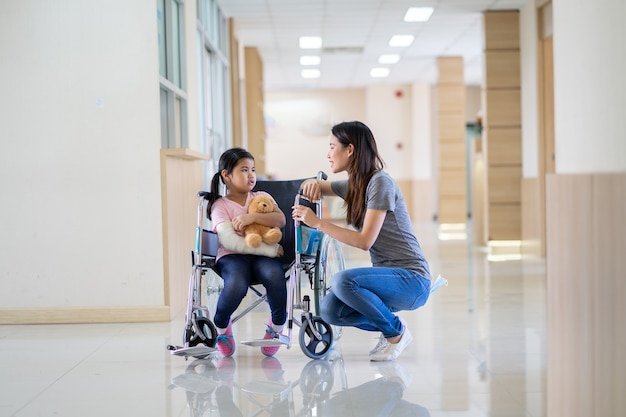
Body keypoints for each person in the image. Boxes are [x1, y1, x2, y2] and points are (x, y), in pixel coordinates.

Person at [292, 121, 432, 362]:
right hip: (386, 279)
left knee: (343, 280)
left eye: (332, 146)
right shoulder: (356, 185)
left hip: (412, 279)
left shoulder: (380, 183)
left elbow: (365, 241)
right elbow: (320, 186)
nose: (328, 153)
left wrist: (317, 223)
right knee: (329, 310)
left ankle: (395, 332)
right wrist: (312, 183)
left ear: (350, 150)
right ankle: (391, 325)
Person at [206, 147, 287, 357]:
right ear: (226, 175)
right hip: (232, 256)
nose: (251, 175)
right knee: (235, 286)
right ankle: (222, 326)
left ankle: (277, 326)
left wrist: (252, 218)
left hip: (261, 256)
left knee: (275, 276)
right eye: (244, 169)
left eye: (253, 169)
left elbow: (280, 220)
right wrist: (270, 250)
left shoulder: (261, 196)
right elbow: (230, 241)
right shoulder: (220, 206)